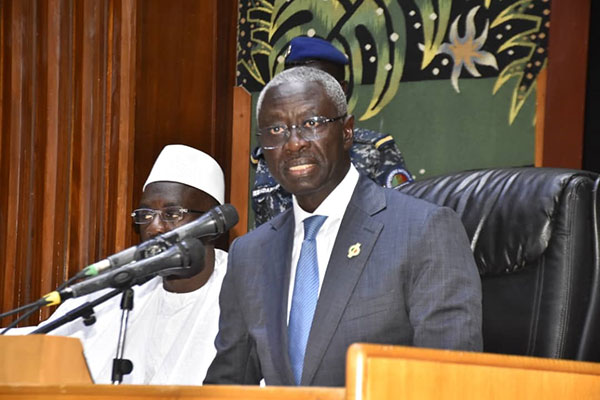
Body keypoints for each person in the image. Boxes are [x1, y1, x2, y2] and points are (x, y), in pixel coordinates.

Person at [204, 67, 482, 387]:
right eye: (276, 129)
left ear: (347, 131)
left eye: (311, 124)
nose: (293, 144)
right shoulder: (249, 254)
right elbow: (227, 384)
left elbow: (449, 382)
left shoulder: (424, 232)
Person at [7, 144, 228, 385]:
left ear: (213, 224)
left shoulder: (242, 289)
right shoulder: (120, 285)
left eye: (172, 214)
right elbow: (37, 345)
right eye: (145, 214)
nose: (154, 227)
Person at [251, 36, 413, 227]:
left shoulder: (374, 151)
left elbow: (402, 223)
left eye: (320, 83)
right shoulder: (270, 155)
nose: (295, 144)